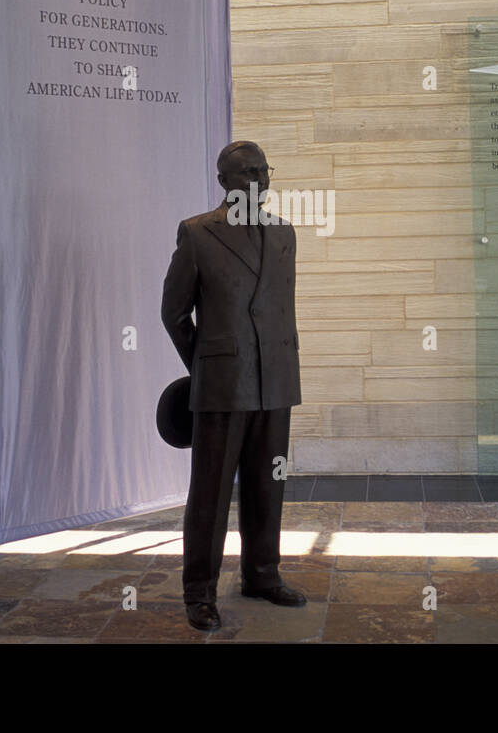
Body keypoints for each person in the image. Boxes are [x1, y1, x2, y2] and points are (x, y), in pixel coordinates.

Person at [160, 140, 305, 632]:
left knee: (269, 485)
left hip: (276, 381)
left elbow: (280, 308)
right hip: (223, 383)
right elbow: (174, 314)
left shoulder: (283, 233)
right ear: (223, 181)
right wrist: (206, 365)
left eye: (264, 170)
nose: (259, 179)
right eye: (247, 172)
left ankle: (262, 574)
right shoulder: (198, 234)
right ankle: (198, 590)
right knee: (211, 493)